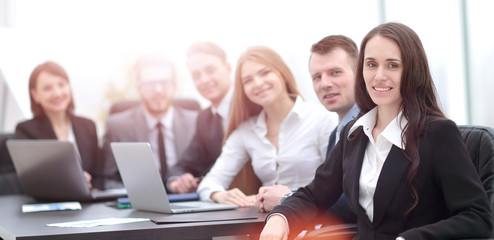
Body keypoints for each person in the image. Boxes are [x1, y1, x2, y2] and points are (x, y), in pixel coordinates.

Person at [260, 22, 493, 240]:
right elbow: (313, 195)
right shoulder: (354, 133)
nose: (379, 75)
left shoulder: (437, 133)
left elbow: (478, 217)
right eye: (371, 64)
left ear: (412, 71)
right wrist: (279, 218)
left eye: (392, 65)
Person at [196, 46, 338, 207]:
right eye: (248, 81)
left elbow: (336, 188)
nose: (258, 83)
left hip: (316, 221)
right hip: (267, 223)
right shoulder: (246, 131)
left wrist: (289, 198)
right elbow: (209, 183)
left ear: (281, 73)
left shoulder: (321, 119)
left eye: (265, 73)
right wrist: (219, 194)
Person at [256, 36, 361, 218]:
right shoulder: (336, 133)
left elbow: (358, 202)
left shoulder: (372, 126)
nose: (325, 84)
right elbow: (328, 192)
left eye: (335, 72)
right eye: (317, 77)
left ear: (359, 74)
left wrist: (288, 198)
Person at [101, 54, 198, 189]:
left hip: (191, 201)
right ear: (138, 88)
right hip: (139, 204)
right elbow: (107, 180)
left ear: (174, 86)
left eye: (164, 83)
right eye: (150, 84)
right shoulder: (117, 127)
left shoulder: (196, 122)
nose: (158, 90)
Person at [14, 61, 102, 189]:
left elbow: (100, 174)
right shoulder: (26, 131)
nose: (57, 93)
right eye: (47, 88)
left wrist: (93, 186)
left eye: (62, 85)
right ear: (35, 95)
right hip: (51, 203)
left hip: (89, 201)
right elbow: (30, 179)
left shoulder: (88, 126)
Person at [166, 42, 233, 194]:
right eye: (196, 75)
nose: (203, 80)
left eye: (210, 70)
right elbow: (185, 164)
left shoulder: (251, 106)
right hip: (220, 201)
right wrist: (177, 181)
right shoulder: (204, 118)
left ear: (228, 68)